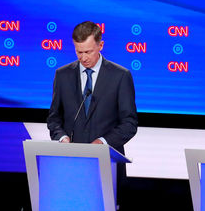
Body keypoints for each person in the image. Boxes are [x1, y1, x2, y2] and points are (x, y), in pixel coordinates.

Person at [47, 21, 138, 156]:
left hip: (107, 159)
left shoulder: (120, 76)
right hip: (71, 158)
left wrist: (102, 142)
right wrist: (61, 138)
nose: (83, 58)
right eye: (79, 52)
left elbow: (129, 124)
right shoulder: (62, 75)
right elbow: (54, 119)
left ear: (100, 45)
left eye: (88, 52)